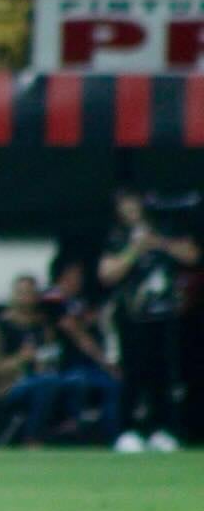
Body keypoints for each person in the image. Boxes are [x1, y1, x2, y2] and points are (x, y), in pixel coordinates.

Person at [99, 188, 201, 452]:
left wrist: (158, 243)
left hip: (164, 316)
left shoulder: (164, 231)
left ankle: (163, 429)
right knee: (133, 374)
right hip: (133, 316)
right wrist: (135, 249)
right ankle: (128, 430)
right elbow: (107, 274)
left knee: (165, 375)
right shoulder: (118, 238)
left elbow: (192, 255)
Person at [0, 275, 67, 447]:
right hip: (9, 386)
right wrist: (20, 359)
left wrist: (45, 363)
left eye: (30, 293)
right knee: (46, 384)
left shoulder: (43, 327)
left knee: (71, 382)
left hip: (44, 379)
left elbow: (53, 356)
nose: (26, 298)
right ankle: (32, 438)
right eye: (21, 293)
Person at [46, 260, 121, 443]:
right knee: (78, 384)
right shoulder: (52, 300)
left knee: (114, 386)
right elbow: (78, 335)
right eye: (74, 276)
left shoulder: (78, 302)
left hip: (88, 366)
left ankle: (113, 437)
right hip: (62, 366)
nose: (79, 280)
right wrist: (106, 363)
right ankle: (74, 435)